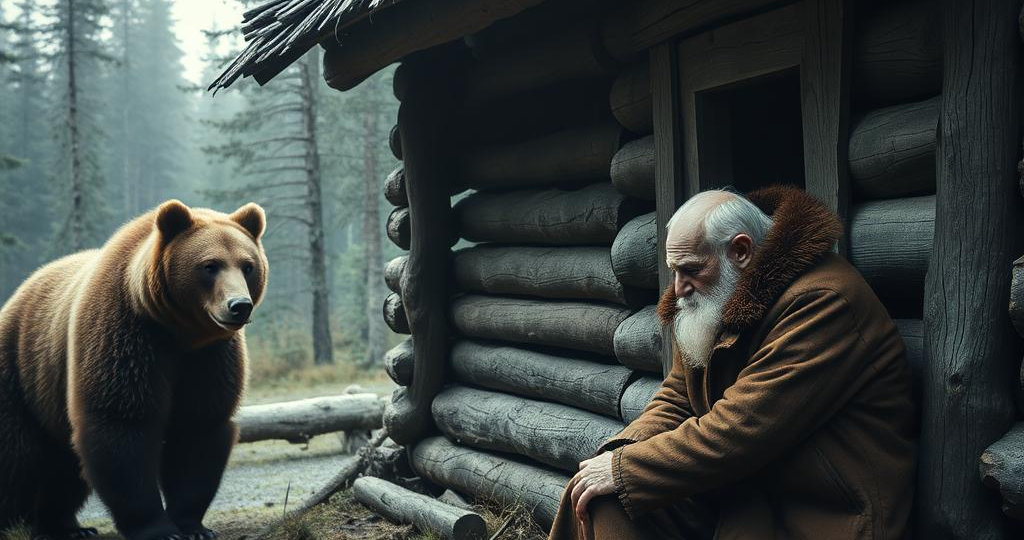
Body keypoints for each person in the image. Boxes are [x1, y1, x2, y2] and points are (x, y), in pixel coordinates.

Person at [548, 185, 917, 540]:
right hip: (745, 497)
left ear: (741, 250)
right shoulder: (721, 293)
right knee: (604, 497)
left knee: (620, 483)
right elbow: (676, 398)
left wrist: (627, 470)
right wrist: (620, 453)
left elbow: (742, 428)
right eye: (674, 270)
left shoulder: (823, 302)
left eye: (690, 269)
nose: (678, 289)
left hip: (819, 512)